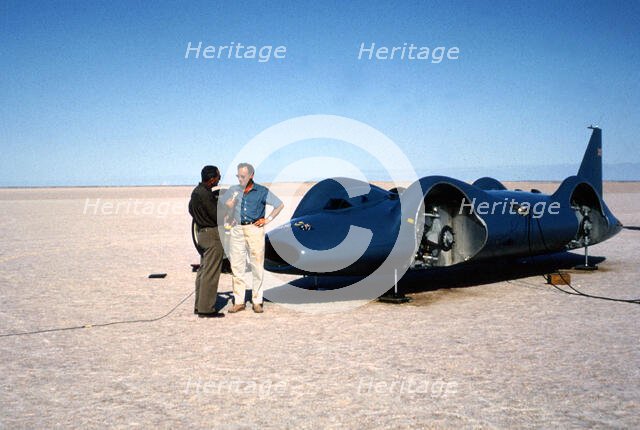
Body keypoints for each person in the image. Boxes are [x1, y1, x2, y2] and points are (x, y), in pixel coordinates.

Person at [225, 163, 283, 313]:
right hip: (237, 229)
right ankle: (239, 301)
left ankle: (257, 300)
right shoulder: (233, 190)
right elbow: (224, 207)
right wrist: (229, 206)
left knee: (257, 265)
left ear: (251, 175)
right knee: (237, 266)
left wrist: (268, 219)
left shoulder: (262, 191)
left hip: (254, 230)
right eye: (238, 176)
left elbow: (279, 205)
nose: (240, 179)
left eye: (243, 176)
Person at [188, 165, 225, 318]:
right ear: (211, 179)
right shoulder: (206, 194)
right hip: (211, 235)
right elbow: (216, 214)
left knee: (203, 270)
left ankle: (199, 305)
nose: (219, 179)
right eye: (218, 177)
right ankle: (206, 309)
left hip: (201, 234)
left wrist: (200, 218)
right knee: (211, 272)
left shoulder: (196, 192)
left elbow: (190, 209)